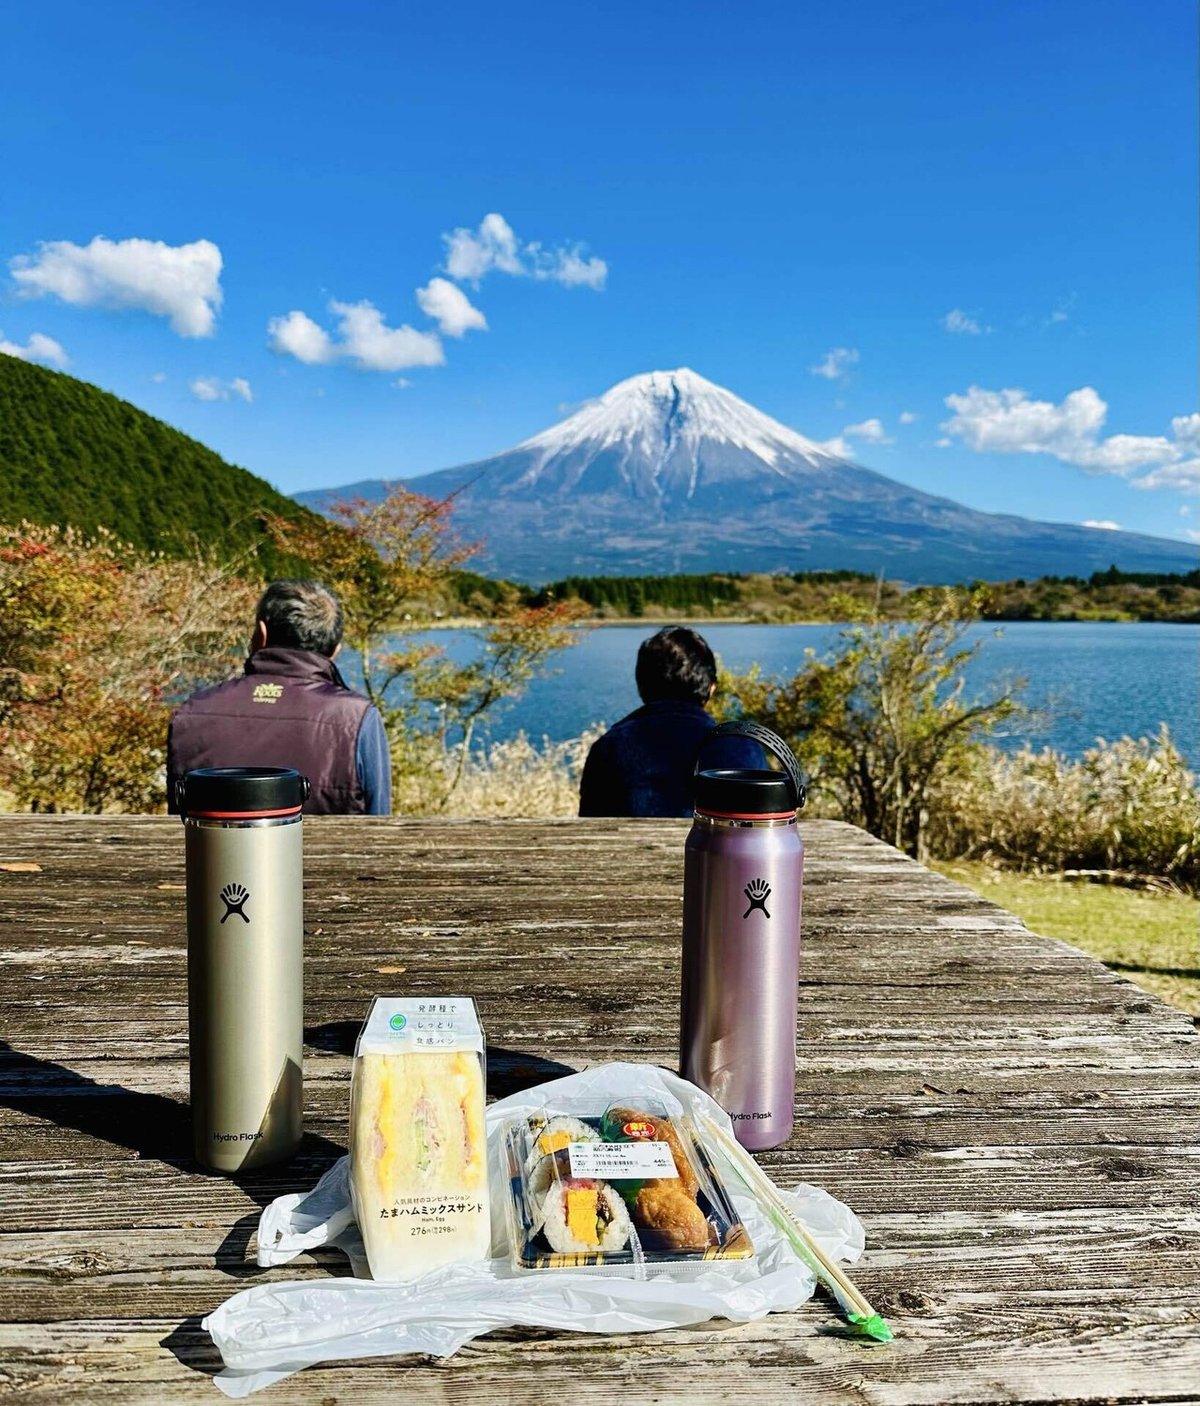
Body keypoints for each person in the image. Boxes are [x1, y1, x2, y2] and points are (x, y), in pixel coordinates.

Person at [167, 579, 391, 815]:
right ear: (336, 650)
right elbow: (379, 818)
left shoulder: (191, 712)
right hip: (330, 852)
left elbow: (179, 817)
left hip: (212, 853)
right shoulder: (357, 718)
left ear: (261, 634)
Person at [578, 626, 765, 818]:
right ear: (711, 688)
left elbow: (590, 825)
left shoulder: (609, 747)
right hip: (716, 848)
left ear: (641, 686)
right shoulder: (745, 746)